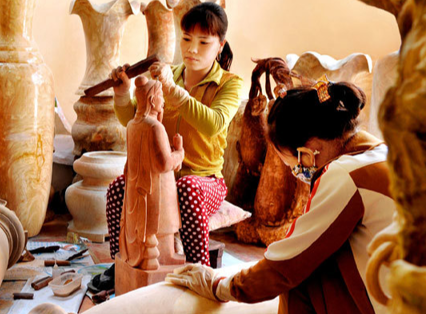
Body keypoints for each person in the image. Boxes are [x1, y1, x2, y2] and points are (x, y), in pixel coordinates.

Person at [166, 79, 395, 314]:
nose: (298, 172)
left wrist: (218, 286)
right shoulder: (385, 151)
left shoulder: (344, 175)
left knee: (303, 275)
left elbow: (288, 263)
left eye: (294, 164)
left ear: (309, 150)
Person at [106, 1, 244, 269]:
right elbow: (136, 120)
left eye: (204, 42)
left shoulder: (230, 84)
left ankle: (197, 271)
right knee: (117, 189)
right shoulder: (170, 76)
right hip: (161, 178)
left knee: (188, 188)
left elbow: (214, 123)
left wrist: (172, 90)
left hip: (206, 181)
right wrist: (122, 93)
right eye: (186, 38)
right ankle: (121, 264)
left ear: (220, 44)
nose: (192, 48)